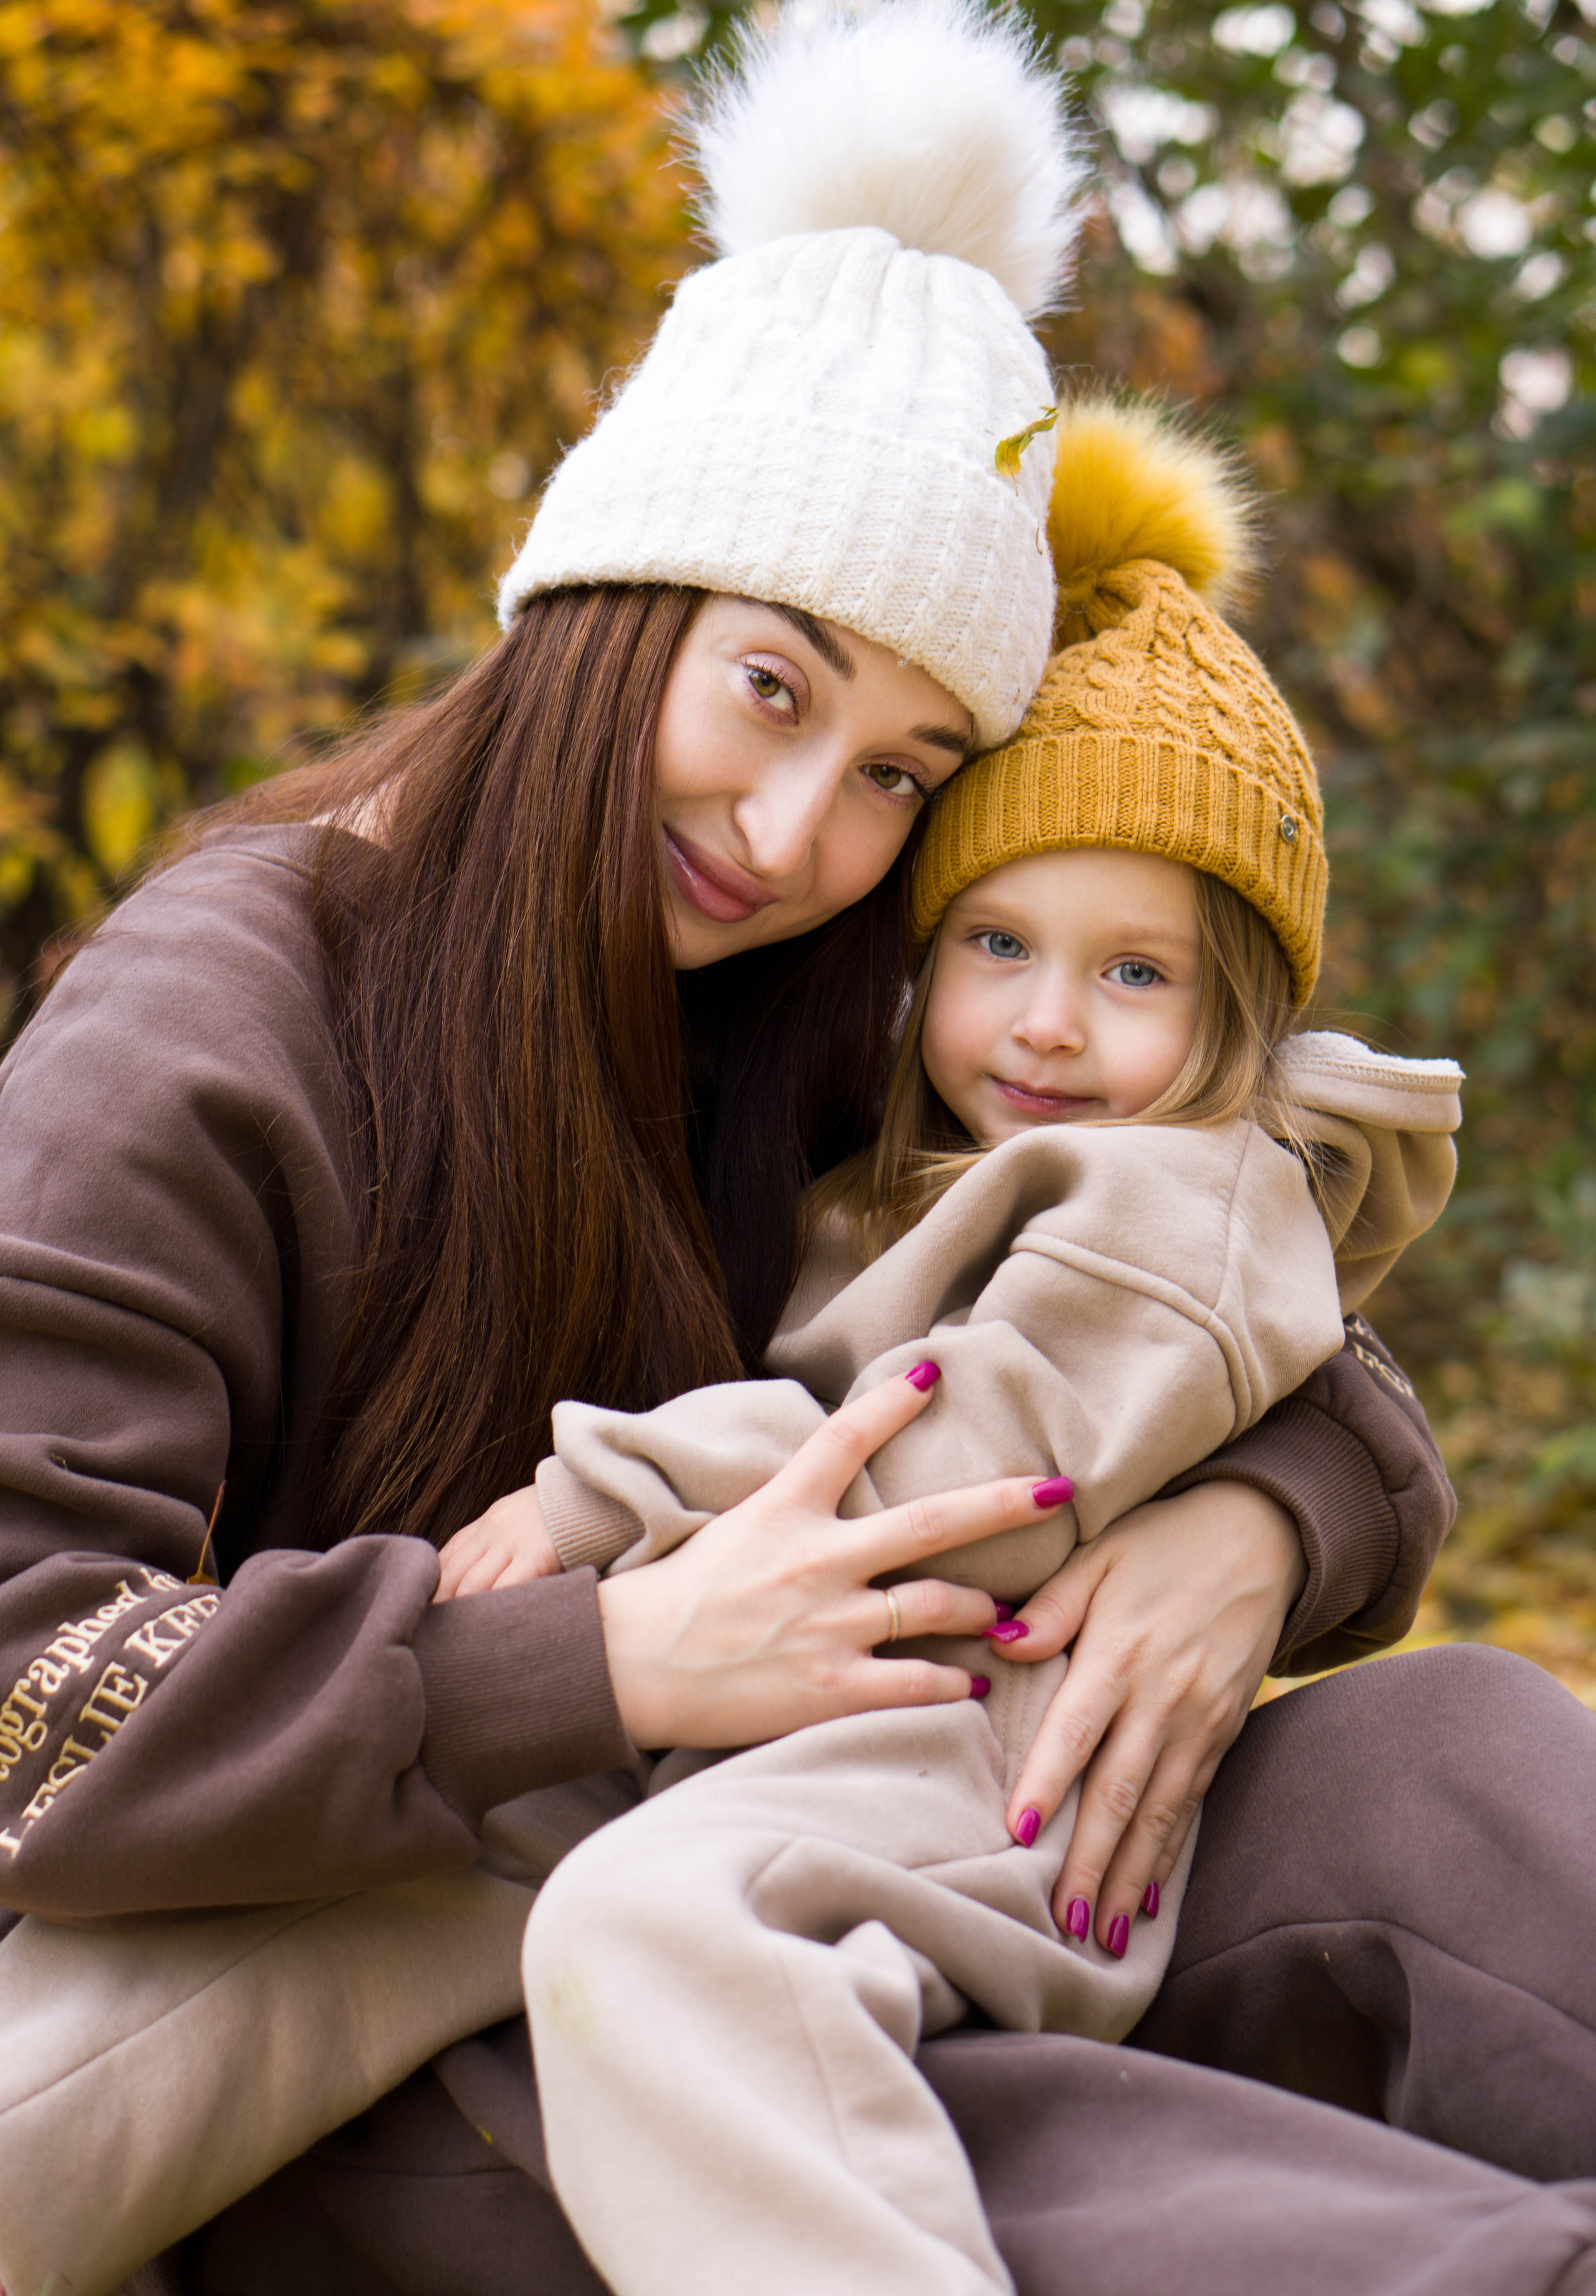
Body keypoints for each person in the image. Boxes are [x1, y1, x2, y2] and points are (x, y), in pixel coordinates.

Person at [0, 6, 1590, 2294]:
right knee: (841, 2065)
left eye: (902, 769)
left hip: (863, 1800)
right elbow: (26, 1686)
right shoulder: (218, 1020)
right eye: (770, 685)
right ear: (607, 605)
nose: (798, 828)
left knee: (1448, 1753)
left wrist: (1278, 1506)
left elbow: (1149, 1263)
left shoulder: (804, 988)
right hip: (397, 1981)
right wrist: (613, 1661)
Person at [431, 396, 1463, 2295]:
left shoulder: (1172, 1197)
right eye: (998, 945)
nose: (1051, 1023)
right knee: (344, 1932)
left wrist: (602, 1495)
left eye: (1135, 971)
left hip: (988, 1765)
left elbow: (953, 1469)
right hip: (771, 1712)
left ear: (1232, 1011)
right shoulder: (881, 1181)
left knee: (662, 1931)